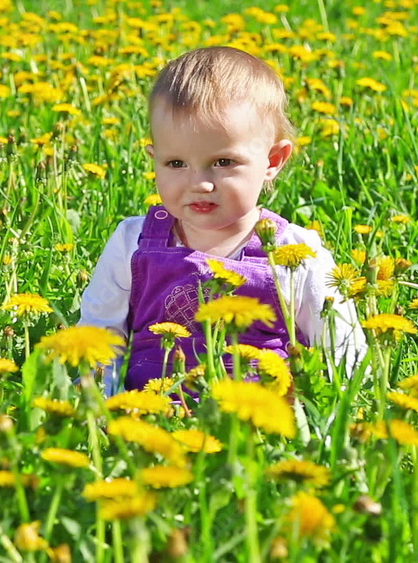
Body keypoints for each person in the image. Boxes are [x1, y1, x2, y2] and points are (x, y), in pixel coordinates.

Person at [79, 46, 366, 396]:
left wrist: (326, 419)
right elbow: (100, 333)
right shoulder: (132, 243)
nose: (199, 183)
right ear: (154, 160)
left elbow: (342, 349)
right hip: (150, 417)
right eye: (176, 164)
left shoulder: (294, 254)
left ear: (273, 160)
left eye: (224, 162)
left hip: (259, 428)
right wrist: (98, 407)